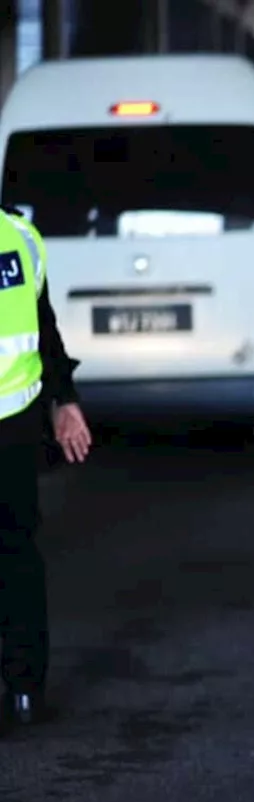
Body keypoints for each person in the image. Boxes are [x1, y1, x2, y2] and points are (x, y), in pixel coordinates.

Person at [0, 204, 92, 734]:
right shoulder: (19, 237)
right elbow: (45, 329)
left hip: (14, 420)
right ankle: (25, 690)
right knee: (16, 554)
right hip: (14, 420)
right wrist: (63, 399)